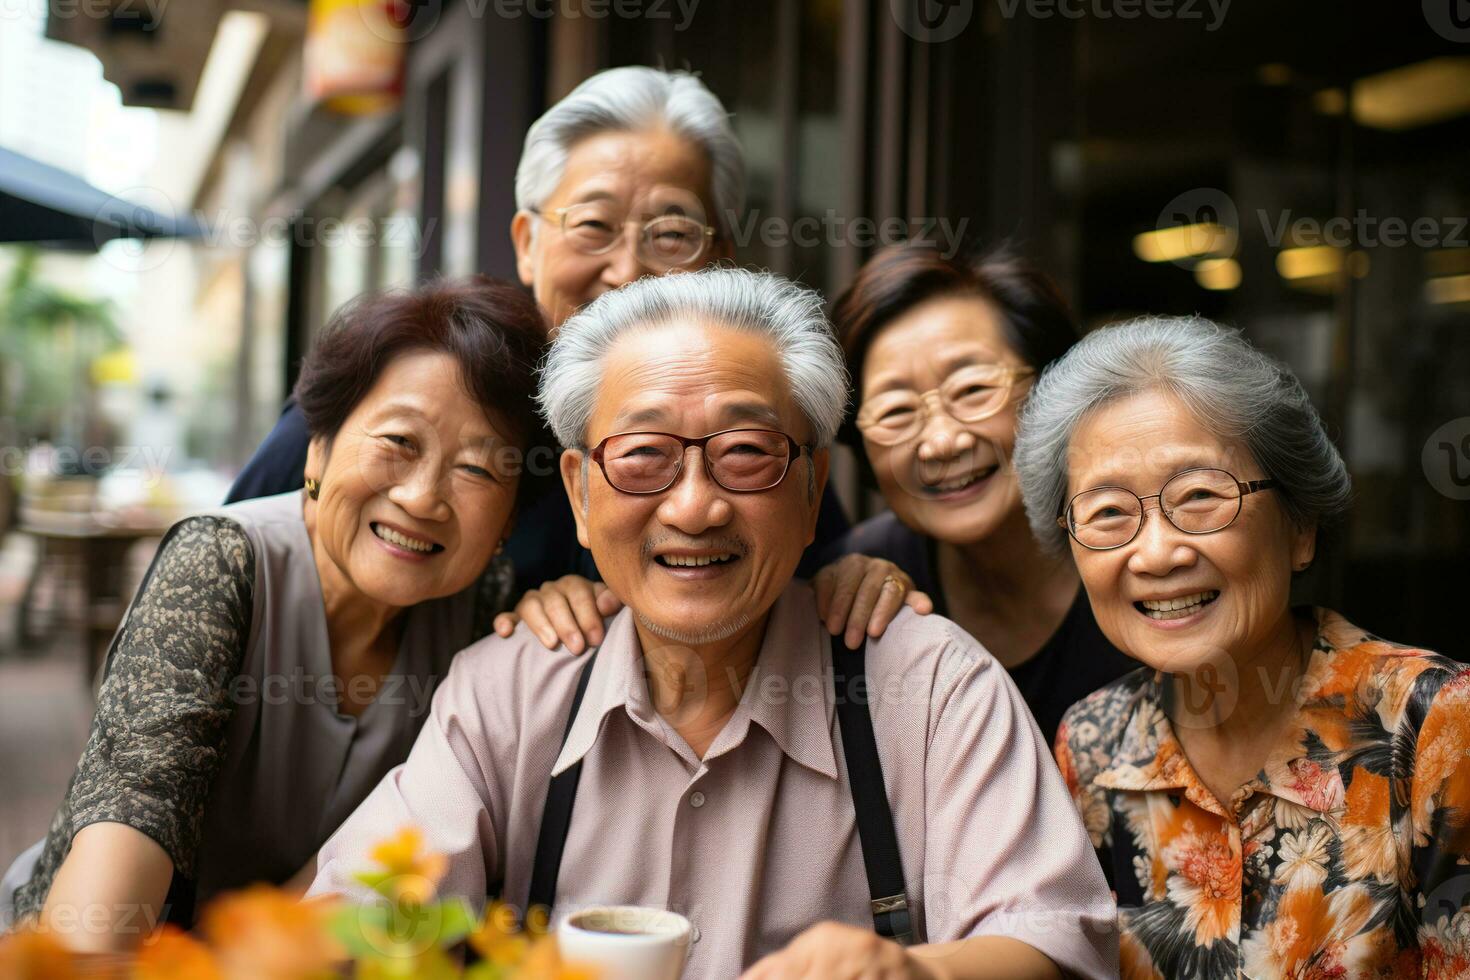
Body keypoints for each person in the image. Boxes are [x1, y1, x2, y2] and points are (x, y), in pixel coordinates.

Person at [307, 268, 1117, 980]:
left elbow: (1052, 940)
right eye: (644, 455)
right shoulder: (512, 689)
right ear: (582, 495)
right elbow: (358, 918)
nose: (695, 505)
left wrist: (909, 971)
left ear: (811, 490)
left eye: (746, 450)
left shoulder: (930, 685)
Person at [0, 277, 546, 950]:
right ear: (318, 447)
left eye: (479, 471)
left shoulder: (485, 608)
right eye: (400, 442)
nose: (423, 497)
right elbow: (125, 837)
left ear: (509, 520)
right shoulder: (219, 562)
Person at [225, 66, 851, 602]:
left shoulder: (757, 427)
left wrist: (857, 579)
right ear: (528, 245)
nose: (628, 271)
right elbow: (243, 555)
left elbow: (827, 575)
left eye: (671, 233)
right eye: (593, 224)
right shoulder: (430, 383)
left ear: (720, 255)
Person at [1017, 315, 1470, 977]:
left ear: (1300, 527)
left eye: (1200, 496)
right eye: (1108, 512)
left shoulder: (1435, 726)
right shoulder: (1093, 744)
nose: (1157, 553)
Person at [815, 242, 1133, 744]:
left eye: (973, 391)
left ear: (1052, 391)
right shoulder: (850, 591)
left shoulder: (1144, 555)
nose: (943, 441)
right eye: (897, 412)